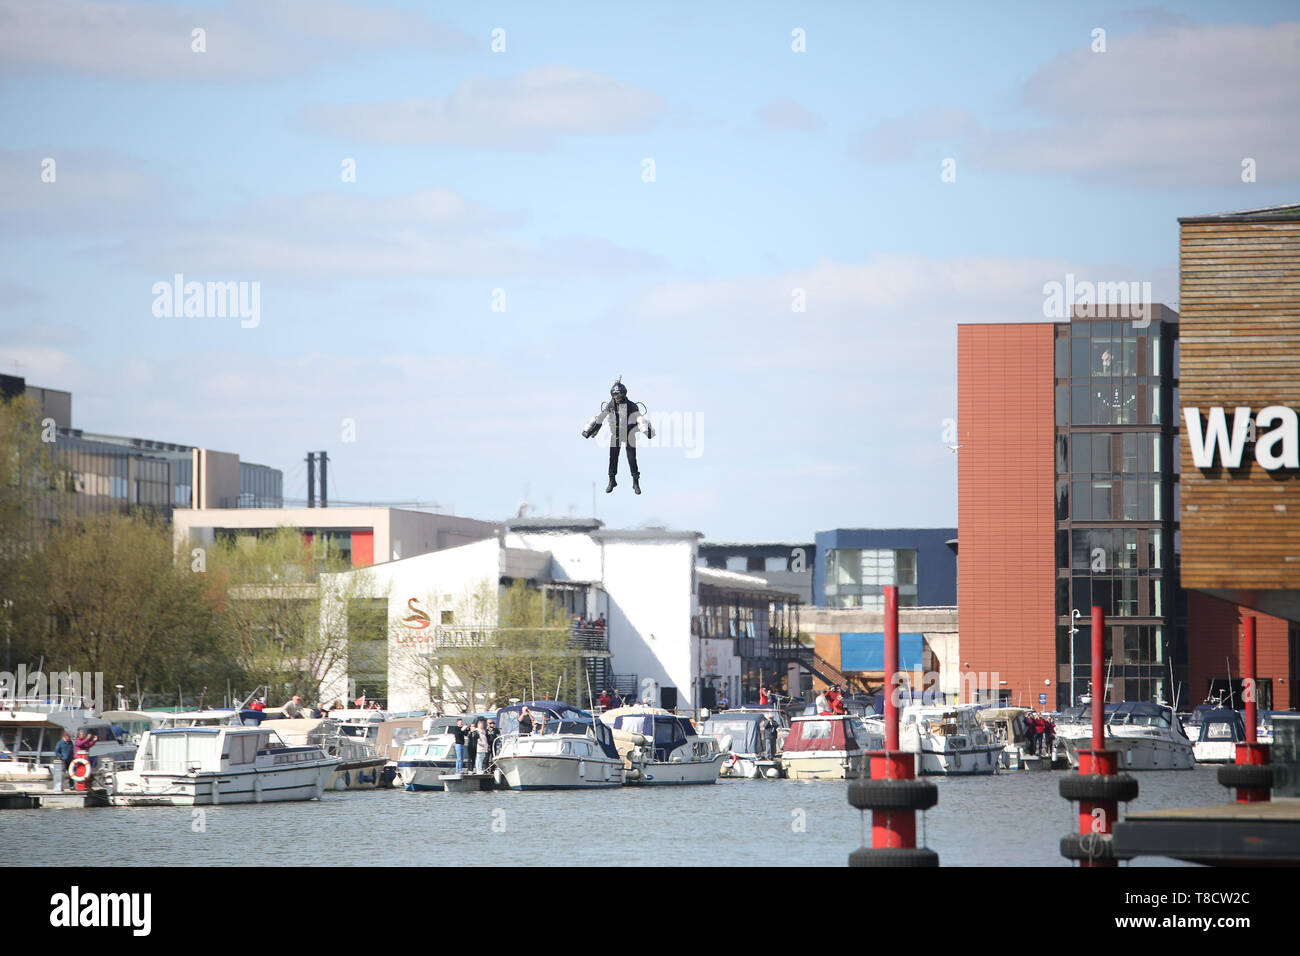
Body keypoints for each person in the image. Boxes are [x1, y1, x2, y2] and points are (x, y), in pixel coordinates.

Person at [581, 377, 653, 495]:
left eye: (619, 396)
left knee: (632, 460)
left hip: (629, 434)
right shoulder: (611, 405)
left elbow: (641, 420)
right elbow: (600, 418)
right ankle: (612, 480)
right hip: (616, 434)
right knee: (613, 458)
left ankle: (635, 482)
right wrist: (588, 431)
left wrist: (647, 432)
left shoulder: (631, 405)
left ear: (624, 394)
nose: (617, 398)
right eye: (615, 396)